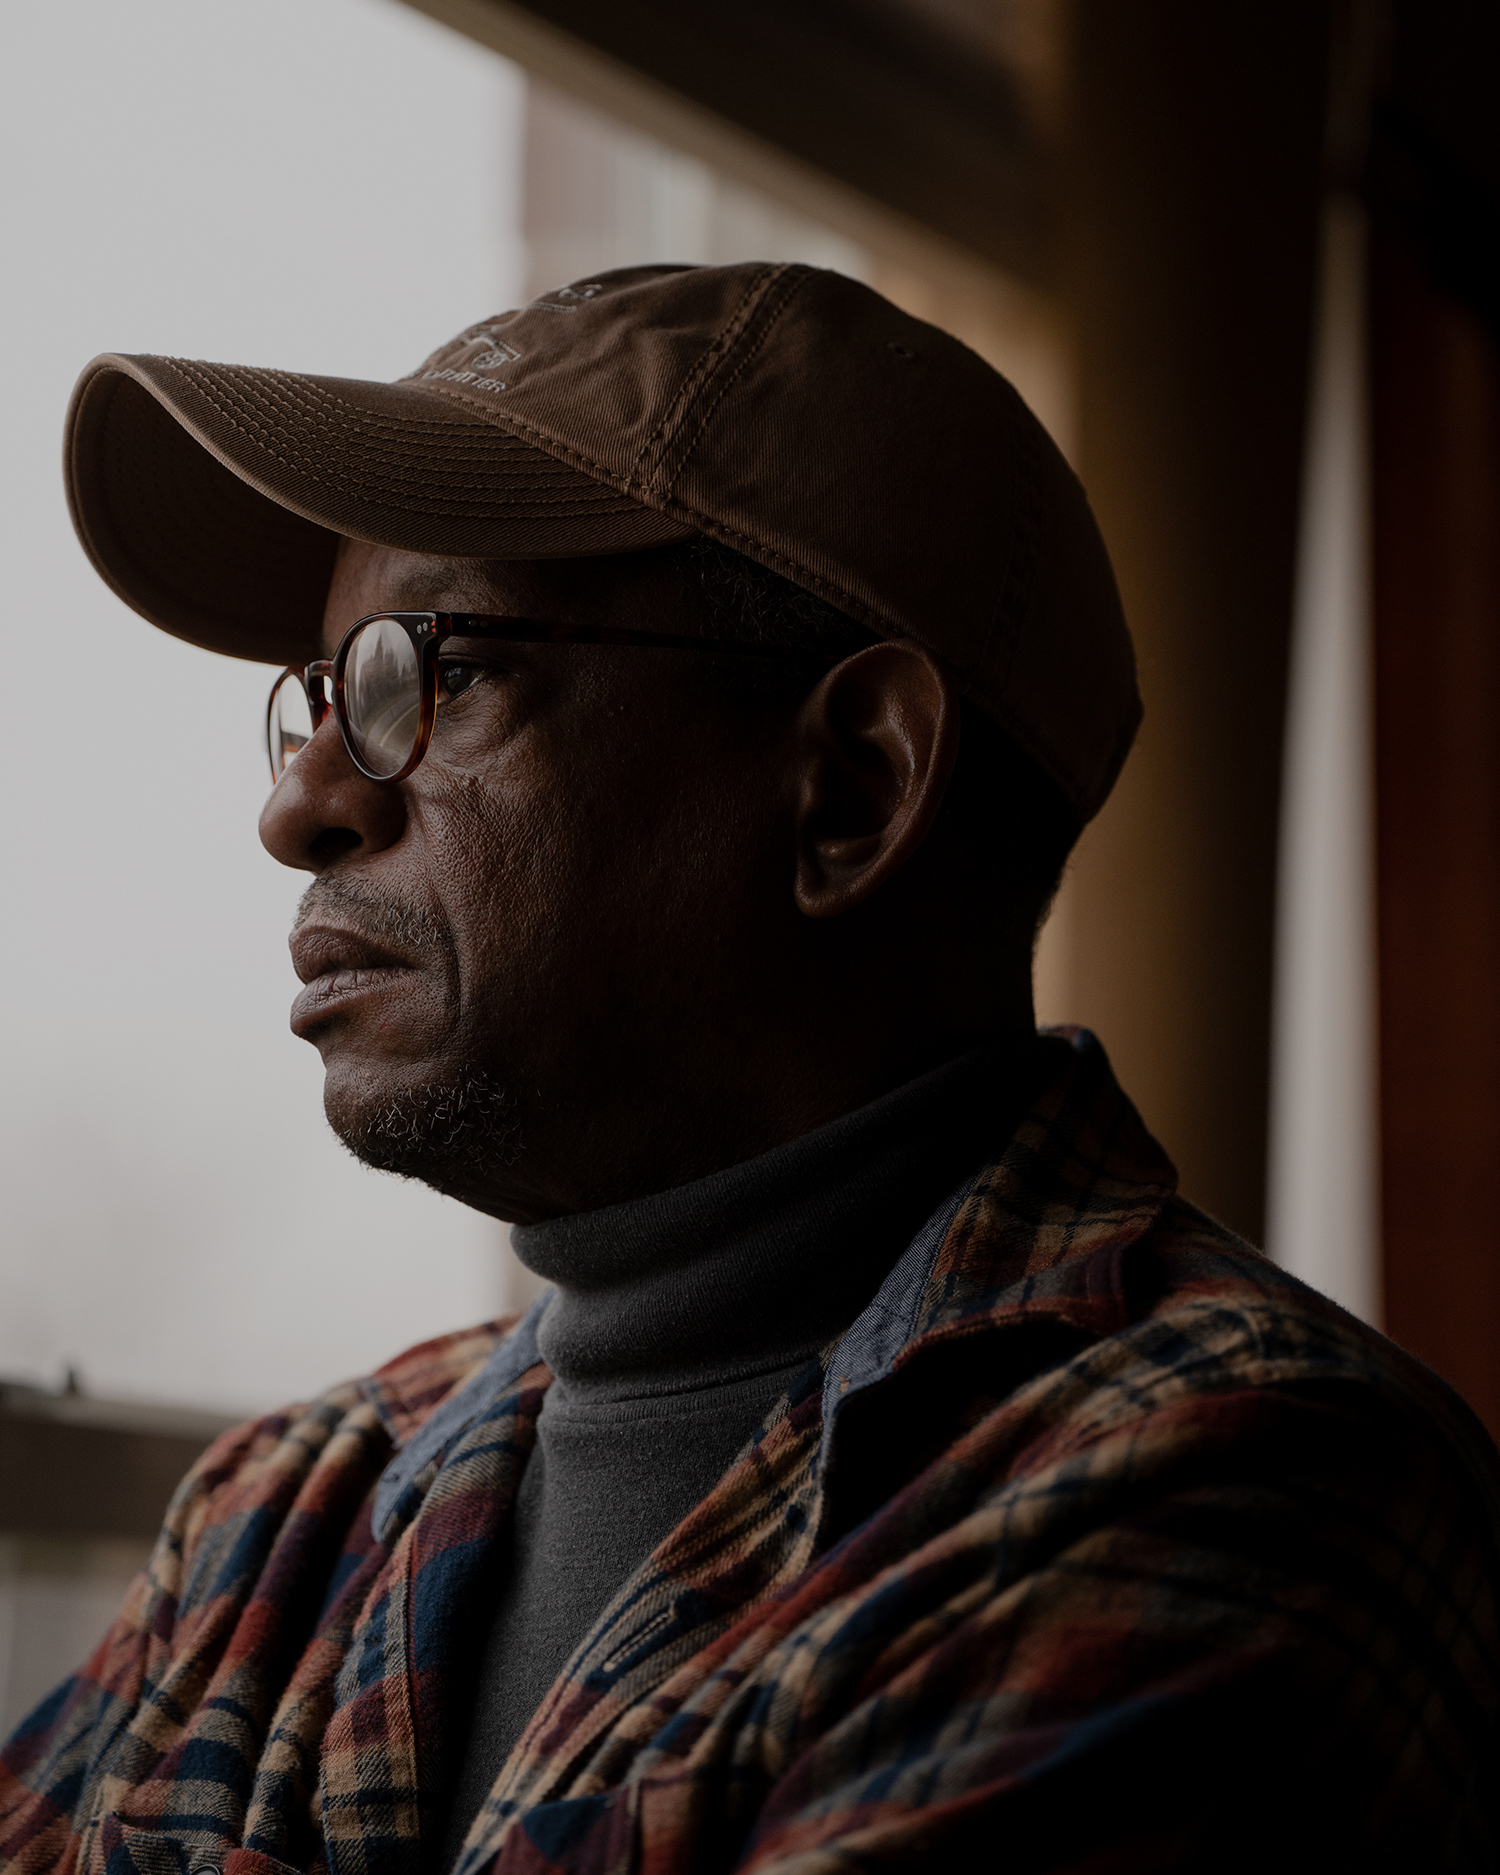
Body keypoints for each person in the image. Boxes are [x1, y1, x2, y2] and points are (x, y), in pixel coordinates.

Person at [3, 263, 1497, 1874]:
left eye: (431, 672)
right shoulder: (272, 1517)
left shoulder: (1252, 1486)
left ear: (851, 785)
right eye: (320, 698)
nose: (299, 806)